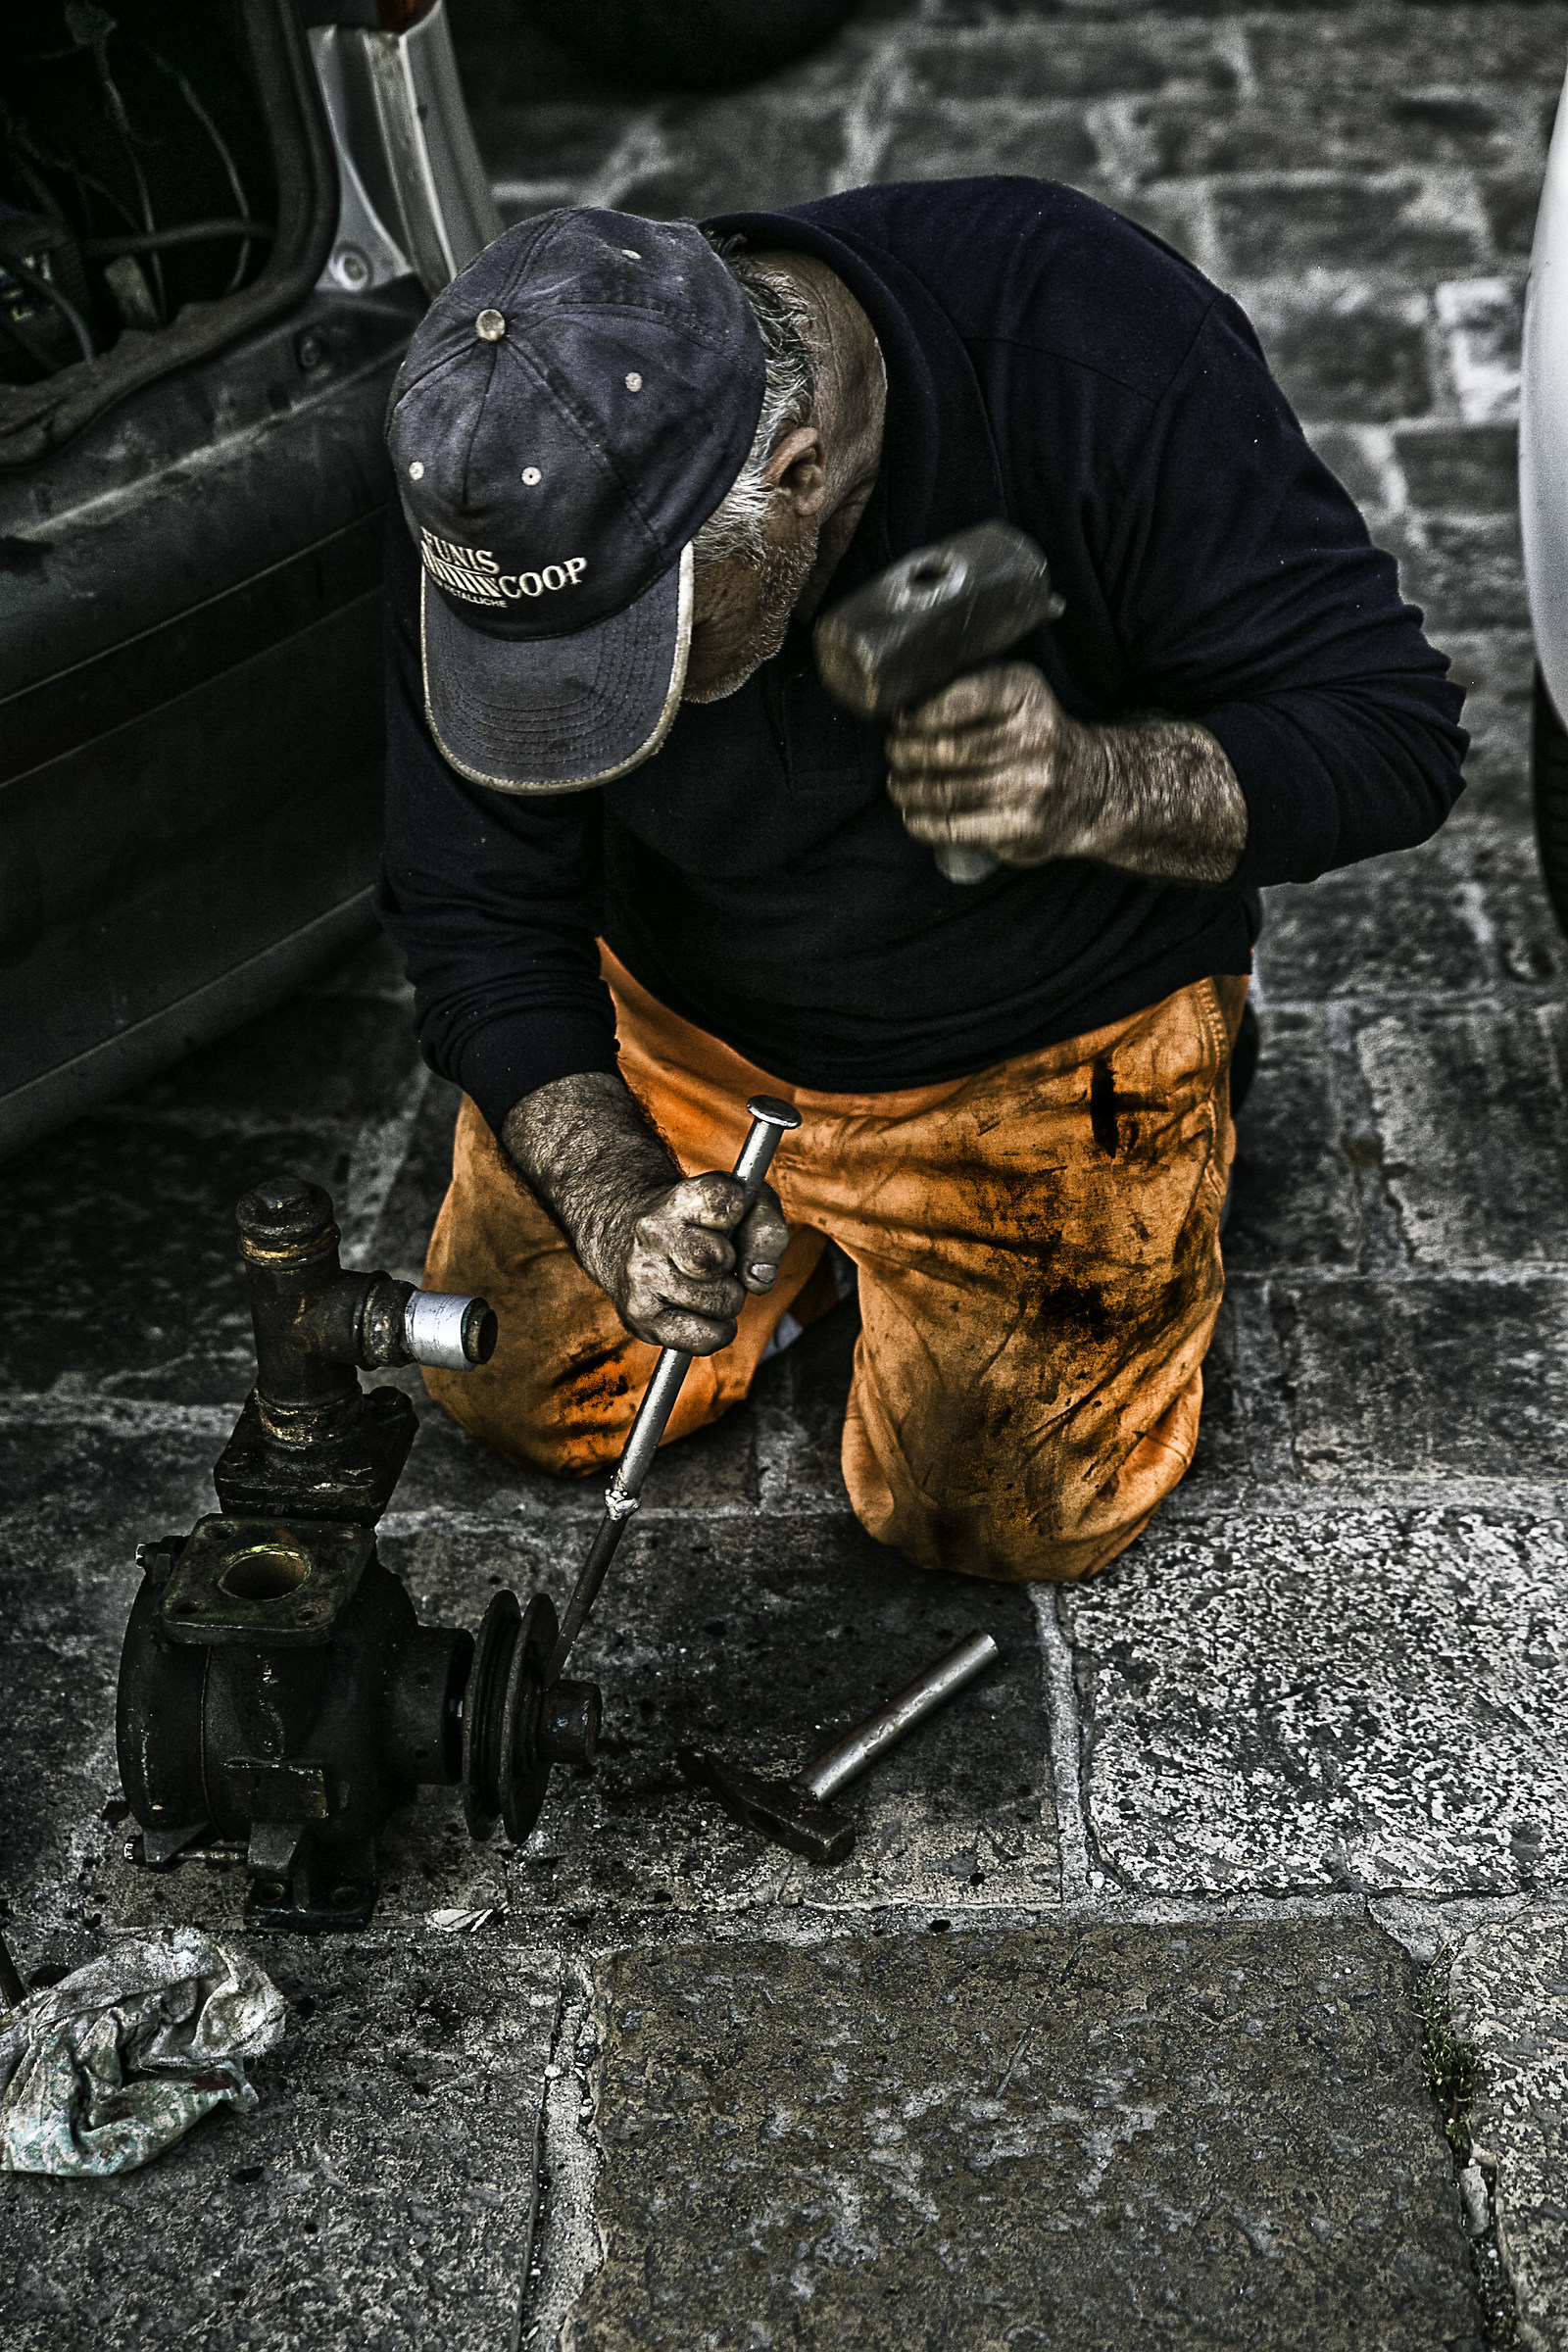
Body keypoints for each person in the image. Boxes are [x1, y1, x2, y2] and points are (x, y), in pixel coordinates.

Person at [376, 182, 1465, 1584]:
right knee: (510, 1380)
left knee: (999, 1515)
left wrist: (1092, 784)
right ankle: (813, 1251)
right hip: (682, 1027)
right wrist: (618, 1200)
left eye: (632, 662)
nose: (586, 716)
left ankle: (1169, 1111)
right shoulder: (497, 456)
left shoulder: (1096, 349)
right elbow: (474, 911)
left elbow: (1396, 736)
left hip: (1037, 1033)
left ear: (800, 480)